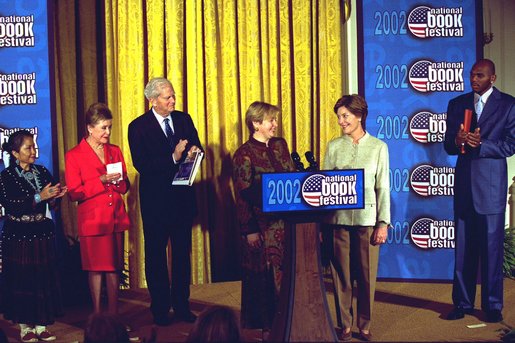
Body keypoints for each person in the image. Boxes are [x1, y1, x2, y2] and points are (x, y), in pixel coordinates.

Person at [444, 59, 515, 323]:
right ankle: (462, 303)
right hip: (463, 187)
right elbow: (448, 147)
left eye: (480, 75)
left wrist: (482, 144)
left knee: (492, 251)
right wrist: (457, 139)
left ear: (492, 78)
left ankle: (493, 305)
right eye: (472, 74)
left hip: (491, 189)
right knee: (462, 250)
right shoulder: (456, 104)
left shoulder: (508, 105)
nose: (474, 79)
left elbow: (510, 145)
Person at [128, 77, 202, 325]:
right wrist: (174, 156)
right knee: (156, 255)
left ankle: (182, 306)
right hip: (156, 203)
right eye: (167, 97)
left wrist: (193, 153)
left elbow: (198, 146)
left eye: (173, 96)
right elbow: (143, 165)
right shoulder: (137, 127)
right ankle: (160, 308)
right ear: (152, 100)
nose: (172, 100)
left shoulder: (184, 119)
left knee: (182, 255)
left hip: (182, 200)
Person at [322, 94, 390, 342]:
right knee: (340, 275)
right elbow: (325, 187)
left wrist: (383, 223)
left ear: (359, 115)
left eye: (345, 116)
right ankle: (345, 325)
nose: (341, 121)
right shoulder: (333, 147)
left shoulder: (379, 147)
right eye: (339, 116)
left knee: (365, 275)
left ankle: (365, 325)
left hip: (367, 221)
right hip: (338, 221)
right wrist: (324, 222)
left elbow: (383, 187)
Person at [232, 101, 295, 339]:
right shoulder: (244, 154)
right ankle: (270, 329)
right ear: (256, 124)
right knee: (266, 279)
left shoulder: (280, 145)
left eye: (275, 120)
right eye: (271, 120)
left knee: (289, 274)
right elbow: (243, 196)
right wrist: (249, 230)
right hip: (261, 227)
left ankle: (290, 322)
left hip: (288, 224)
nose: (275, 125)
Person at [0, 130, 67, 342]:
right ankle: (24, 327)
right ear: (15, 153)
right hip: (19, 235)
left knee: (41, 278)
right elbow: (12, 205)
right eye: (27, 148)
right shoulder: (5, 177)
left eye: (33, 146)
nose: (33, 151)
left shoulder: (42, 171)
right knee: (23, 280)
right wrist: (40, 196)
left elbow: (51, 203)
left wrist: (56, 196)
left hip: (42, 234)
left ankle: (41, 325)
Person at [65, 103, 130, 317]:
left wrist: (121, 181)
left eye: (109, 127)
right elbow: (74, 192)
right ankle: (97, 319)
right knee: (96, 269)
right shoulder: (74, 155)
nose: (107, 132)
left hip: (115, 218)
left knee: (114, 269)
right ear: (90, 128)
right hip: (93, 221)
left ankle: (113, 318)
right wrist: (100, 180)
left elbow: (124, 186)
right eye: (103, 128)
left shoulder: (115, 151)